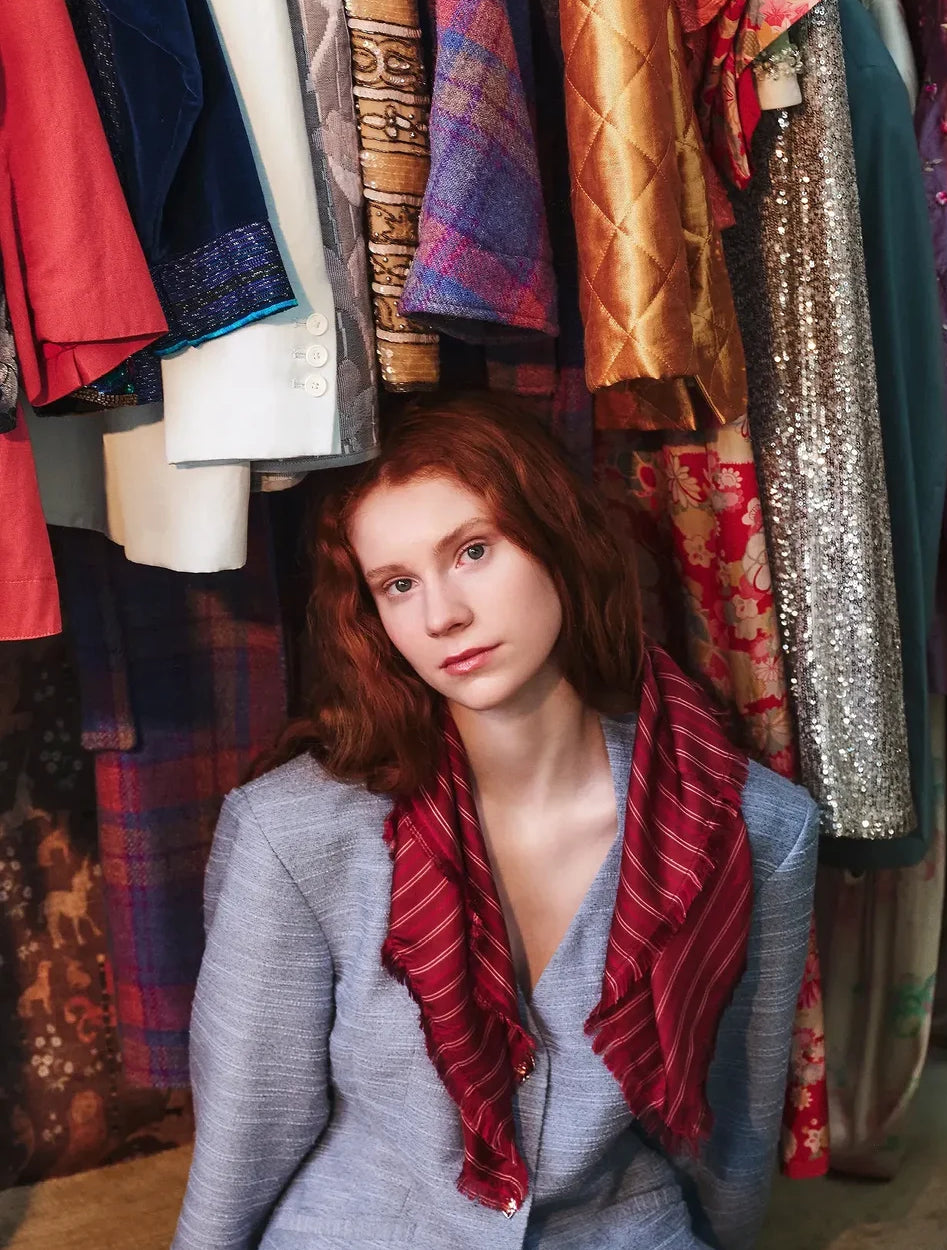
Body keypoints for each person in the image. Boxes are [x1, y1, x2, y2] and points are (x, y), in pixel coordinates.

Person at [170, 391, 819, 1250]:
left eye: (473, 551)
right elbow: (252, 1131)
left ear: (557, 539)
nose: (442, 615)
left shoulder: (754, 827)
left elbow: (730, 1120)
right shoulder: (293, 833)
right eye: (398, 585)